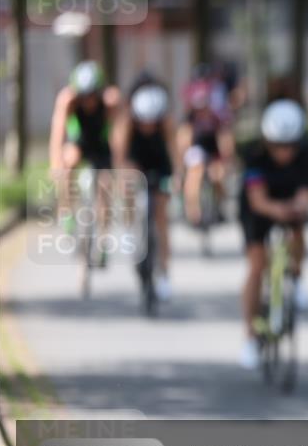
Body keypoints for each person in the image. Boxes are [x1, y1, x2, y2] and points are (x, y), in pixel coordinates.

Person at [238, 99, 308, 369]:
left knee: (298, 230)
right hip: (258, 207)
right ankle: (250, 337)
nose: (284, 152)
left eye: (290, 146)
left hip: (289, 200)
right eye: (277, 145)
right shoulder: (254, 155)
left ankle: (296, 276)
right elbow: (257, 200)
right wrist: (278, 210)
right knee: (257, 266)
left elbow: (305, 195)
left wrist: (296, 209)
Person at [112, 78, 177, 300]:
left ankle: (164, 273)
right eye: (144, 122)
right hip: (136, 162)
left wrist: (178, 177)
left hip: (160, 165)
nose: (148, 126)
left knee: (161, 217)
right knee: (129, 185)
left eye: (152, 122)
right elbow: (120, 156)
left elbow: (174, 152)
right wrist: (121, 178)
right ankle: (130, 229)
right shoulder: (127, 123)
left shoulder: (166, 124)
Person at [48, 61, 122, 239]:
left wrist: (119, 165)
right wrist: (55, 164)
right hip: (80, 141)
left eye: (92, 95)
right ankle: (67, 211)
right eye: (84, 96)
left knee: (105, 185)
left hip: (101, 144)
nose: (88, 101)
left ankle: (103, 238)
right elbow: (58, 134)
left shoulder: (110, 101)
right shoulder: (67, 100)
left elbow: (118, 135)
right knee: (67, 164)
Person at [177, 71, 235, 226]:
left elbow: (224, 140)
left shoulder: (216, 119)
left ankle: (220, 205)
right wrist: (180, 166)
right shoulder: (189, 120)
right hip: (195, 153)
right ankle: (193, 213)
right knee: (195, 172)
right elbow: (183, 143)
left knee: (218, 176)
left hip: (213, 154)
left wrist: (226, 159)